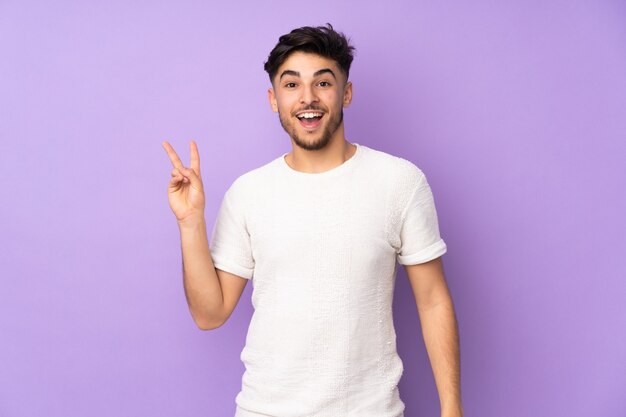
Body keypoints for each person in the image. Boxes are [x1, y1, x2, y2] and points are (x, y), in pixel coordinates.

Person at [162, 24, 463, 417]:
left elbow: (433, 300)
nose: (308, 98)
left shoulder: (400, 182)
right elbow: (209, 313)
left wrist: (452, 409)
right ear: (273, 99)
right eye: (291, 85)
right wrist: (190, 223)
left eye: (323, 83)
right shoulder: (249, 192)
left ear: (346, 93)